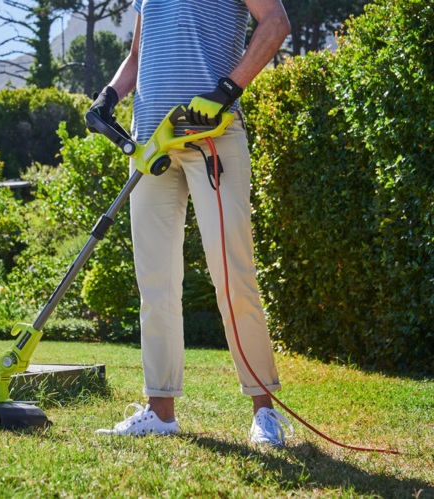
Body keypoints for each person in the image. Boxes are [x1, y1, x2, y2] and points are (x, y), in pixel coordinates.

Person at [88, 0, 293, 447]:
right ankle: (160, 411)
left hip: (212, 135)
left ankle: (264, 413)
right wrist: (110, 95)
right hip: (150, 144)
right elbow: (138, 55)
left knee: (233, 276)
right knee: (155, 283)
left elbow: (276, 23)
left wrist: (226, 90)